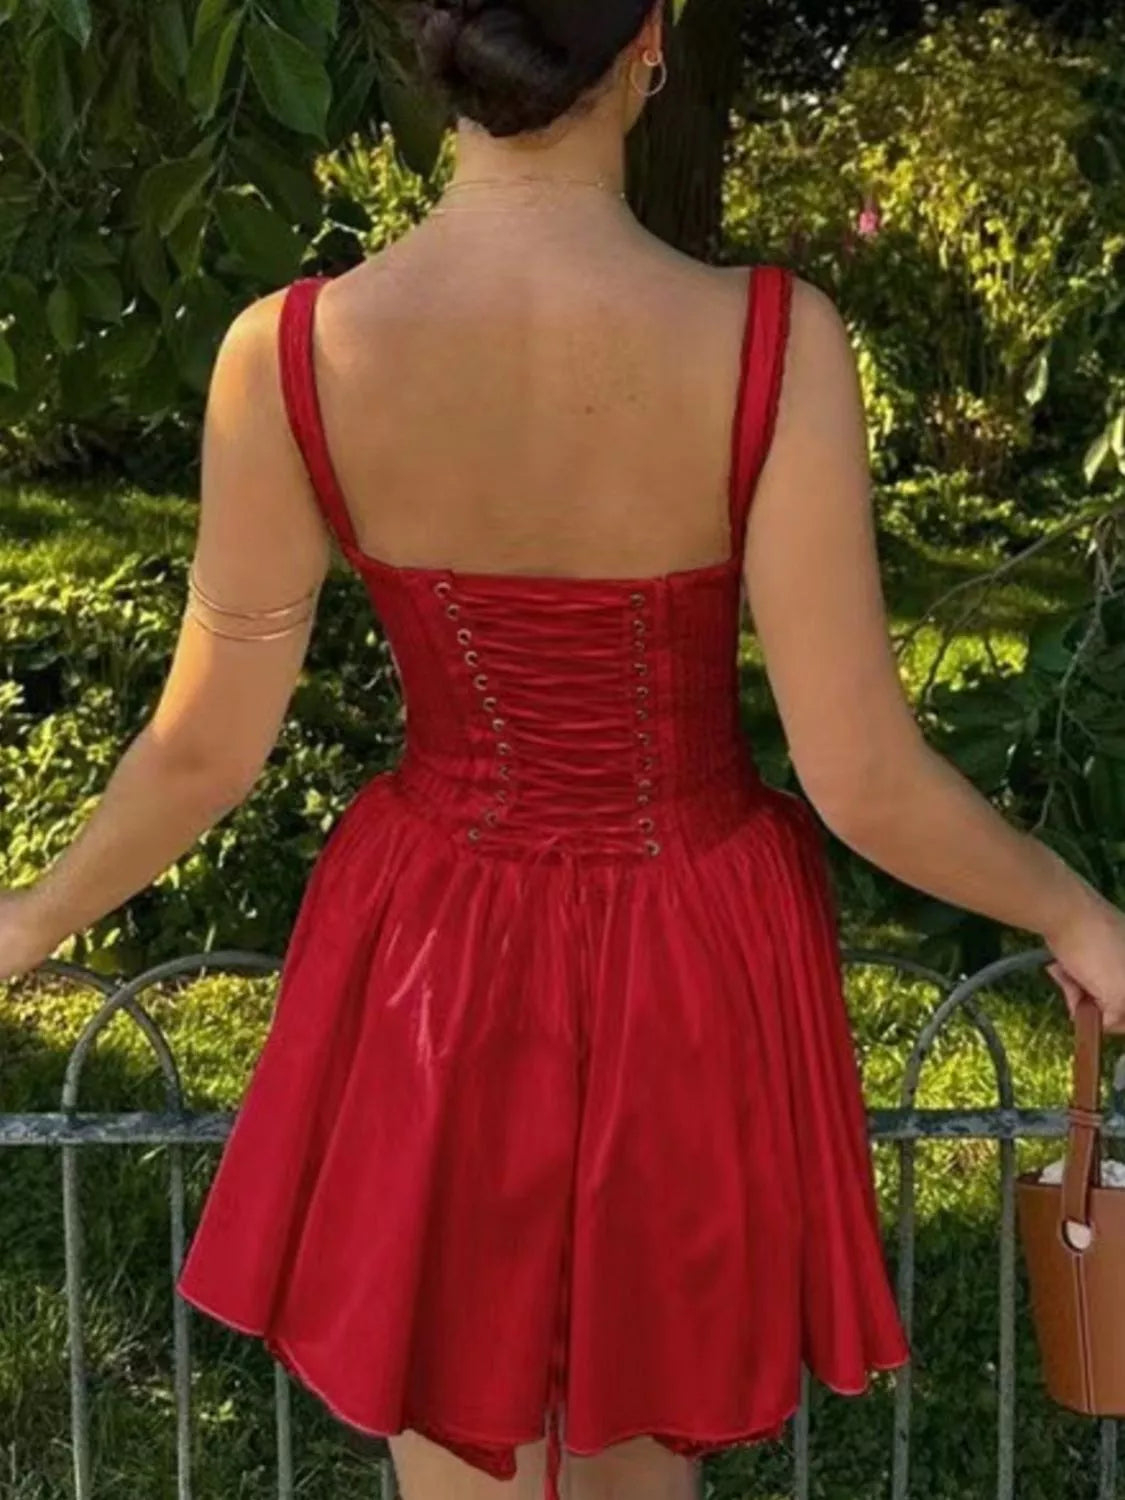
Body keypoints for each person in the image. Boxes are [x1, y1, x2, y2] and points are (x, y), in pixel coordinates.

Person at [3, 1, 1124, 1496]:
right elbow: (858, 774)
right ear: (650, 39)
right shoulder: (770, 341)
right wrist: (1068, 908)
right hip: (690, 941)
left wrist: (26, 922)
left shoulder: (289, 354)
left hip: (432, 944)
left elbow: (204, 751)